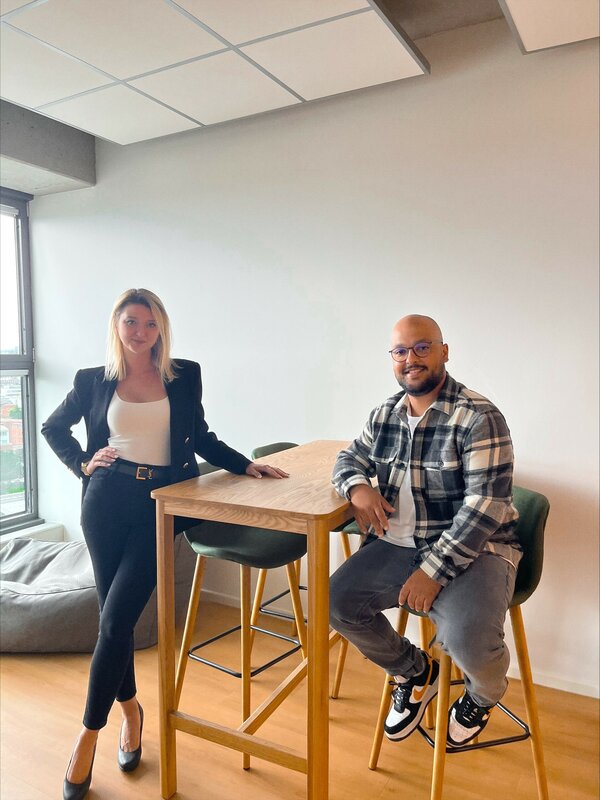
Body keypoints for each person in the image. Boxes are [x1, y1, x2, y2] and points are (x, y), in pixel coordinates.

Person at [42, 288, 288, 800]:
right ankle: (131, 712)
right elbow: (53, 427)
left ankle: (87, 735)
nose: (141, 332)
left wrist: (245, 464)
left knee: (115, 621)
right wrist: (83, 463)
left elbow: (201, 436)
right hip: (105, 502)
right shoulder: (92, 379)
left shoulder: (184, 374)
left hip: (161, 505)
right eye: (131, 322)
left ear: (161, 329)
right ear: (117, 326)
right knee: (114, 621)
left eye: (150, 324)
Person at [329, 314, 521, 747]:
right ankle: (415, 671)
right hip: (399, 544)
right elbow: (348, 458)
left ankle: (483, 696)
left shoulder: (479, 416)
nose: (410, 359)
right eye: (400, 351)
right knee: (335, 603)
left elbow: (485, 507)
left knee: (466, 640)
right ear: (392, 359)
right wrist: (357, 487)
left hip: (476, 548)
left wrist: (432, 572)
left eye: (422, 347)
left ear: (444, 352)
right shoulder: (385, 414)